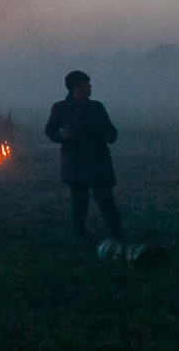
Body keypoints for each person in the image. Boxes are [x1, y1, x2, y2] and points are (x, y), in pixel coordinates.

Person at [46, 70, 122, 245]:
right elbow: (50, 130)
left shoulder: (96, 107)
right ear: (76, 87)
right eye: (86, 84)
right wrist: (61, 136)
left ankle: (117, 235)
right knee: (79, 201)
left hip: (98, 161)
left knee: (105, 199)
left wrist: (110, 135)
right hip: (76, 162)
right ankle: (80, 236)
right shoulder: (61, 108)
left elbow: (110, 129)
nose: (90, 87)